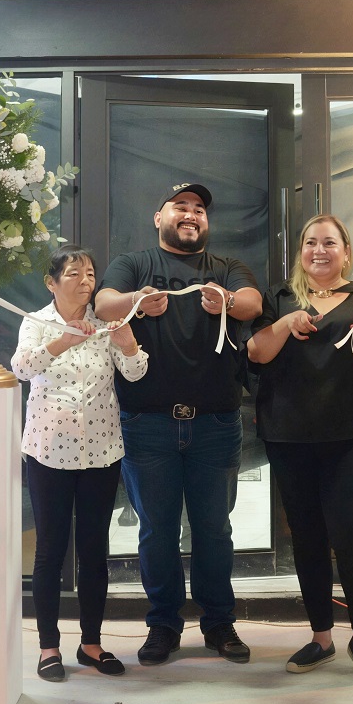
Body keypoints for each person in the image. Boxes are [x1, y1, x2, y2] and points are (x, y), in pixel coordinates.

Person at [94, 182, 262, 665]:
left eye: (199, 209)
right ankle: (163, 624)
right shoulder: (134, 264)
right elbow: (103, 304)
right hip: (147, 425)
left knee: (214, 529)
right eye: (180, 207)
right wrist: (134, 301)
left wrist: (227, 302)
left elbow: (252, 303)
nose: (191, 214)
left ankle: (219, 623)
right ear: (159, 217)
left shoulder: (226, 268)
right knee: (157, 530)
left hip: (215, 424)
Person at [247, 214, 353, 684]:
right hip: (290, 434)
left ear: (345, 252)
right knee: (307, 536)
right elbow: (256, 353)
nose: (319, 250)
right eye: (311, 242)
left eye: (330, 243)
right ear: (301, 252)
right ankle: (322, 637)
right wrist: (285, 323)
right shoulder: (279, 297)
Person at [12, 244, 148, 683]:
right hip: (49, 453)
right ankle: (48, 647)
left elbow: (136, 374)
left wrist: (129, 346)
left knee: (93, 551)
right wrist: (61, 341)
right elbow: (20, 367)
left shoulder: (108, 323)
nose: (85, 280)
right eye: (74, 273)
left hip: (101, 453)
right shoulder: (36, 322)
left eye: (90, 273)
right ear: (51, 283)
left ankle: (91, 644)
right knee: (50, 552)